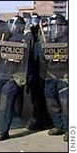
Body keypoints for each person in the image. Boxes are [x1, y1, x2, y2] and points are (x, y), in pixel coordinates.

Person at [0, 16, 29, 140]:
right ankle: (7, 121)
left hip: (14, 77)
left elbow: (24, 60)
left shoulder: (18, 41)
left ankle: (4, 131)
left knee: (6, 100)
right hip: (0, 77)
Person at [40, 14, 68, 142]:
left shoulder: (69, 41)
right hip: (50, 76)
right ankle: (59, 126)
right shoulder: (48, 41)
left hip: (65, 77)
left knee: (66, 104)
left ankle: (69, 128)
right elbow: (42, 60)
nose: (56, 29)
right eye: (53, 27)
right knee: (52, 103)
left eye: (59, 27)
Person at [25, 13, 53, 131]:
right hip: (32, 72)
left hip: (45, 71)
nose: (34, 23)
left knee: (47, 98)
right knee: (35, 99)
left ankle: (49, 120)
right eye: (32, 20)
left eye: (36, 20)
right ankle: (38, 120)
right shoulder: (28, 37)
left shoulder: (46, 36)